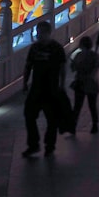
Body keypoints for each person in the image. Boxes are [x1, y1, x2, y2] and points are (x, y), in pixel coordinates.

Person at [22, 21, 67, 157]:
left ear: (48, 33)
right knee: (29, 115)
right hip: (36, 87)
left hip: (51, 88)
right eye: (38, 32)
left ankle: (50, 145)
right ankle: (33, 144)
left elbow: (62, 68)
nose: (39, 35)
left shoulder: (57, 48)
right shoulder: (34, 48)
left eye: (41, 32)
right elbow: (28, 65)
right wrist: (25, 82)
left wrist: (62, 85)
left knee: (51, 118)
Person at [70, 36, 99, 133]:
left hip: (80, 82)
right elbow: (95, 69)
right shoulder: (95, 55)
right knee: (92, 105)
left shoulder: (78, 55)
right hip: (91, 83)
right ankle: (95, 125)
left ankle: (73, 126)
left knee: (77, 106)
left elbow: (73, 68)